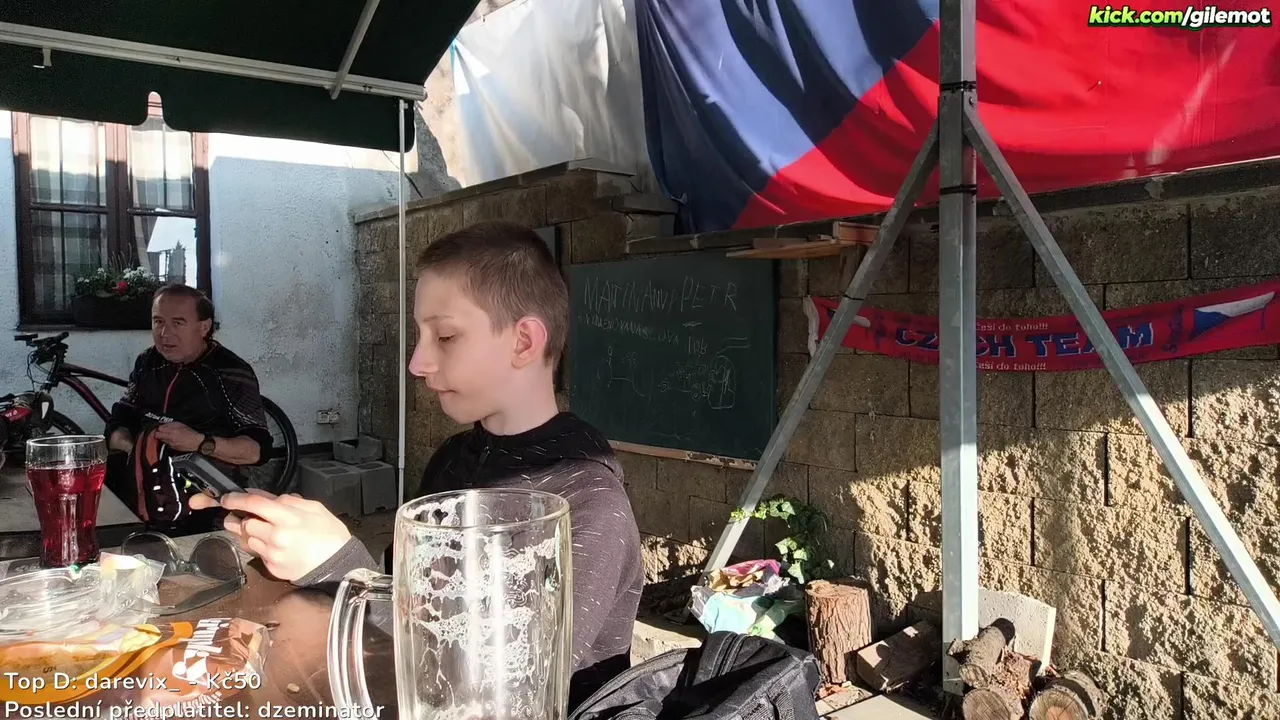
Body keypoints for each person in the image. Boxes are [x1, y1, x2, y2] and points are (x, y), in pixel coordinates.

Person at [191, 221, 644, 707]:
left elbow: (504, 688)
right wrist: (293, 544)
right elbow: (404, 598)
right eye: (420, 335)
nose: (417, 363)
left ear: (523, 342)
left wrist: (340, 568)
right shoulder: (452, 460)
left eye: (445, 336)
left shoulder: (590, 504)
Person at [105, 284, 274, 536]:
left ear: (204, 327)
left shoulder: (230, 372)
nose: (165, 333)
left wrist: (199, 442)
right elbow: (119, 420)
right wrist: (136, 450)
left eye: (178, 323)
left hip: (202, 499)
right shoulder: (147, 362)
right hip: (142, 488)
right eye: (158, 321)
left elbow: (257, 450)